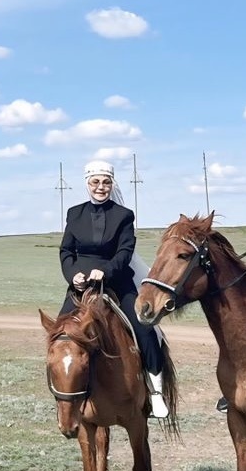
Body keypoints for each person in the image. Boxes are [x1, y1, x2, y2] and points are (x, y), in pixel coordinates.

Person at [59, 159, 168, 419]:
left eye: (106, 182)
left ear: (112, 184)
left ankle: (156, 391)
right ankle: (62, 388)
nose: (100, 187)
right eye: (95, 182)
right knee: (59, 331)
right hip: (81, 285)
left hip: (116, 280)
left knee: (144, 327)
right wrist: (73, 275)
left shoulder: (124, 215)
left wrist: (105, 271)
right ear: (87, 184)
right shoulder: (74, 213)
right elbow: (66, 251)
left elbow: (124, 251)